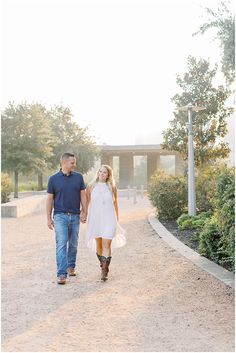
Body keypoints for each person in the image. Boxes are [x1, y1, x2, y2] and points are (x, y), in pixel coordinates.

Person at [46, 152, 87, 285]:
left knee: (73, 244)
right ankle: (61, 274)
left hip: (75, 216)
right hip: (60, 217)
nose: (74, 165)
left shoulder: (79, 177)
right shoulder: (53, 179)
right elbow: (49, 200)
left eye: (74, 162)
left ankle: (71, 267)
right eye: (72, 162)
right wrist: (48, 218)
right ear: (64, 162)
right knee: (61, 244)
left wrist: (85, 211)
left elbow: (83, 195)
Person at [86, 164, 126, 281]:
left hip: (109, 219)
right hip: (95, 219)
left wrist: (117, 218)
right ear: (98, 173)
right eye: (100, 172)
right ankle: (103, 265)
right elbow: (87, 202)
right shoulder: (91, 186)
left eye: (105, 172)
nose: (102, 174)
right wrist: (84, 213)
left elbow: (115, 203)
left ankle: (104, 270)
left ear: (108, 175)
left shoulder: (112, 187)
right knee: (98, 244)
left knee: (106, 244)